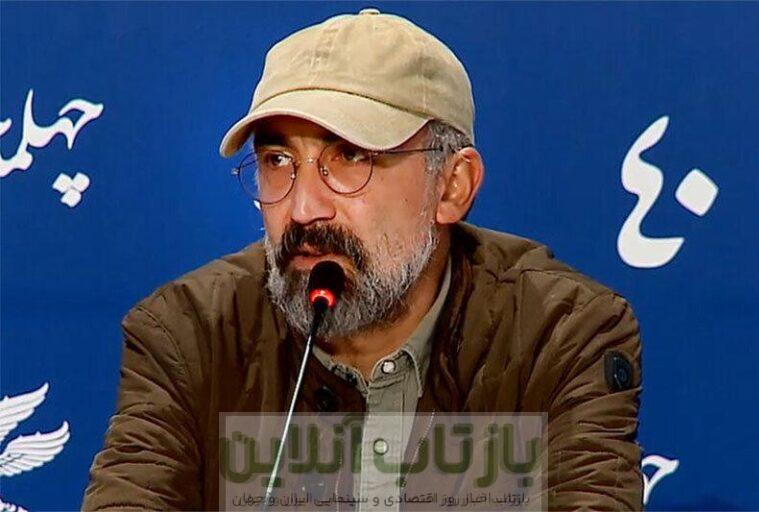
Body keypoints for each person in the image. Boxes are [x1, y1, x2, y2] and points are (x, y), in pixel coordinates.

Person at [83, 8, 643, 511]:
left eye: (351, 156)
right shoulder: (189, 336)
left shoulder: (559, 335)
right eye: (278, 161)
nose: (304, 208)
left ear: (451, 186)